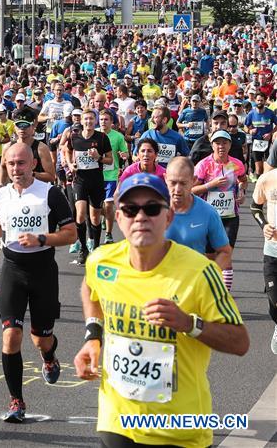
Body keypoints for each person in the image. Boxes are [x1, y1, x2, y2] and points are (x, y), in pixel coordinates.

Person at [75, 172, 248, 448]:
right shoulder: (102, 262)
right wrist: (93, 335)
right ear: (118, 218)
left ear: (168, 217)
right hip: (117, 421)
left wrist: (189, 324)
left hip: (180, 431)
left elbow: (240, 342)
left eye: (152, 208)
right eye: (130, 209)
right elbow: (89, 287)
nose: (140, 217)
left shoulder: (201, 272)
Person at [0, 142, 76, 422]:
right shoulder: (2, 194)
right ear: (5, 166)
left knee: (41, 339)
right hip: (12, 269)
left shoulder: (50, 194)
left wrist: (41, 239)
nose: (16, 169)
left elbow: (71, 235)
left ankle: (49, 357)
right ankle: (16, 401)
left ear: (33, 164)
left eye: (21, 163)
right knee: (11, 335)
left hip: (43, 270)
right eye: (10, 164)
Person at [164, 157, 233, 285]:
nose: (177, 189)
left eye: (183, 183)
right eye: (173, 183)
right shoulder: (151, 210)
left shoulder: (208, 212)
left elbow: (225, 251)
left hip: (192, 289)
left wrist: (209, 276)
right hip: (159, 287)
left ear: (194, 181)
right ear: (165, 179)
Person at [69, 108, 113, 264]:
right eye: (85, 119)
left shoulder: (102, 138)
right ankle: (83, 248)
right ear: (81, 121)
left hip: (96, 181)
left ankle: (95, 247)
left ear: (95, 121)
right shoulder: (74, 138)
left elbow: (110, 160)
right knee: (80, 214)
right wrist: (70, 164)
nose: (88, 122)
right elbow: (66, 150)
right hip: (80, 180)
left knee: (94, 218)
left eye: (91, 119)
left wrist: (98, 157)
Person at [193, 129, 246, 258]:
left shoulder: (235, 164)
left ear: (230, 145)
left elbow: (243, 180)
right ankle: (212, 277)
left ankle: (222, 278)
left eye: (224, 143)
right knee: (210, 257)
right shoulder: (203, 165)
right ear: (212, 145)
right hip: (208, 216)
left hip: (230, 215)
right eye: (217, 143)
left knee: (226, 254)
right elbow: (190, 190)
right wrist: (210, 185)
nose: (221, 146)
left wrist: (241, 190)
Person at [250, 164, 277, 354]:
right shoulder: (267, 179)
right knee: (274, 300)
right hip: (273, 249)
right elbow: (255, 207)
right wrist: (264, 225)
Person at [99, 110, 129, 244]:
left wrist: (124, 155)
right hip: (95, 174)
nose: (103, 122)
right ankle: (105, 218)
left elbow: (125, 153)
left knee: (109, 204)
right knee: (98, 207)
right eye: (101, 119)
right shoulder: (93, 134)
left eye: (106, 119)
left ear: (112, 122)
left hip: (111, 174)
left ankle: (108, 234)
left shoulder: (118, 136)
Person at [245, 92, 276, 180]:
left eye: (261, 100)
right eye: (258, 100)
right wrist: (250, 130)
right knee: (258, 167)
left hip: (267, 142)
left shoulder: (270, 113)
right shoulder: (251, 114)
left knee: (267, 167)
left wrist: (270, 133)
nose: (259, 102)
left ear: (265, 101)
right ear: (255, 100)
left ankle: (265, 184)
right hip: (256, 142)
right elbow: (245, 126)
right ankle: (259, 185)